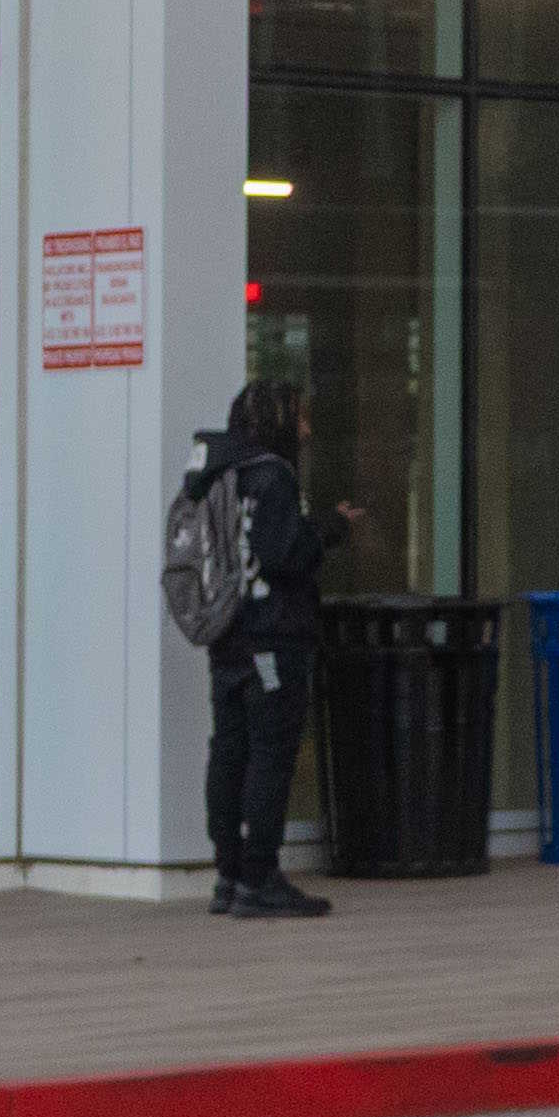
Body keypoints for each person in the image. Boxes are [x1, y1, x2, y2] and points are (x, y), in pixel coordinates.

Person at [194, 378, 356, 917]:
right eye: (300, 418)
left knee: (230, 748)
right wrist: (330, 529)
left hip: (227, 634)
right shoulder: (276, 476)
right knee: (270, 752)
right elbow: (282, 552)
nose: (307, 431)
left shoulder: (221, 471)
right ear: (280, 422)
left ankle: (229, 873)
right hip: (272, 634)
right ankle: (261, 875)